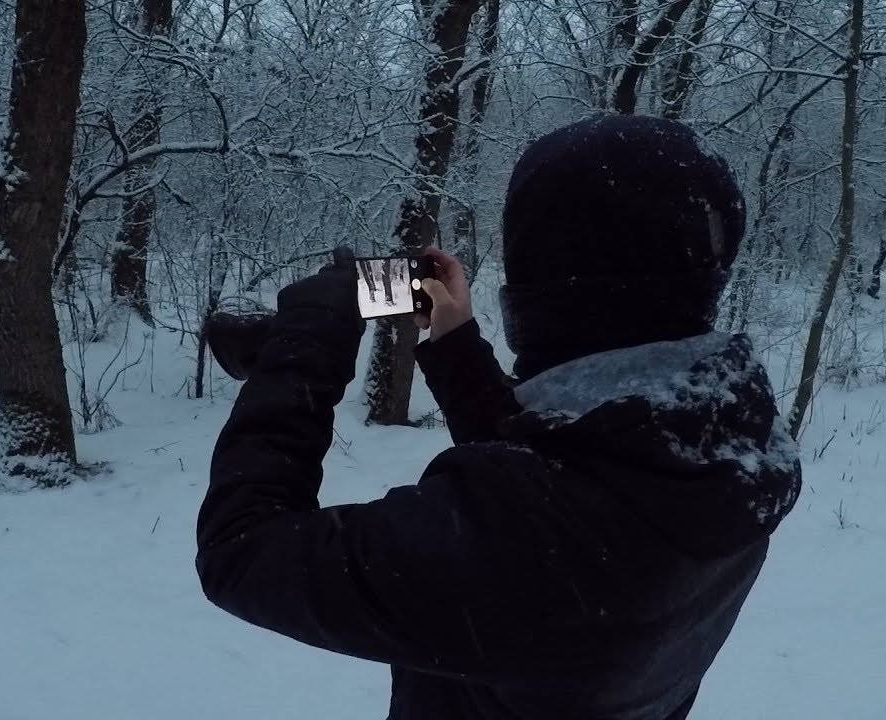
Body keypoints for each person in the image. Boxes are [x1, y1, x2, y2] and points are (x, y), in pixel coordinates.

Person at [196, 113, 802, 720]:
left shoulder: (532, 539)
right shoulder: (737, 439)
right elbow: (570, 485)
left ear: (551, 288)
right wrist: (456, 346)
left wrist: (309, 342)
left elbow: (242, 550)